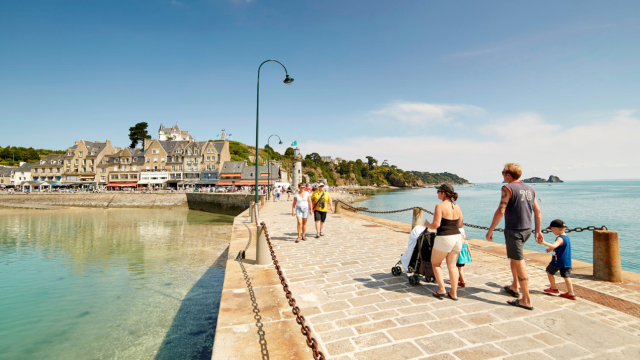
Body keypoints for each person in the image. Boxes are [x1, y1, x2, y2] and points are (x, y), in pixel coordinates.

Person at [486, 163, 542, 311]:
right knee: (514, 258)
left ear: (509, 174)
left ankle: (526, 299)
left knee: (519, 261)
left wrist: (490, 229)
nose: (503, 175)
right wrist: (538, 230)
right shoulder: (530, 189)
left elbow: (501, 210)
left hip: (514, 231)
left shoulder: (507, 188)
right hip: (527, 230)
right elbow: (538, 211)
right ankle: (514, 286)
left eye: (503, 173)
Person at [424, 184, 463, 300]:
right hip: (457, 237)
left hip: (444, 238)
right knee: (452, 266)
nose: (437, 193)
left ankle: (441, 290)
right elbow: (460, 224)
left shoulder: (439, 206)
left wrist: (427, 225)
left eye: (438, 191)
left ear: (443, 193)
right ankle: (453, 293)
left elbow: (436, 225)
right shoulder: (457, 206)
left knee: (435, 263)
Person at [541, 219, 576, 300]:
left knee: (549, 271)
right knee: (566, 277)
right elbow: (559, 247)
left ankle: (553, 288)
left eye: (551, 229)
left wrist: (543, 243)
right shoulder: (566, 237)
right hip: (566, 261)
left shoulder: (559, 238)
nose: (551, 231)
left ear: (556, 228)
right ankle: (571, 294)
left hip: (557, 261)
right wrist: (550, 249)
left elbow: (554, 246)